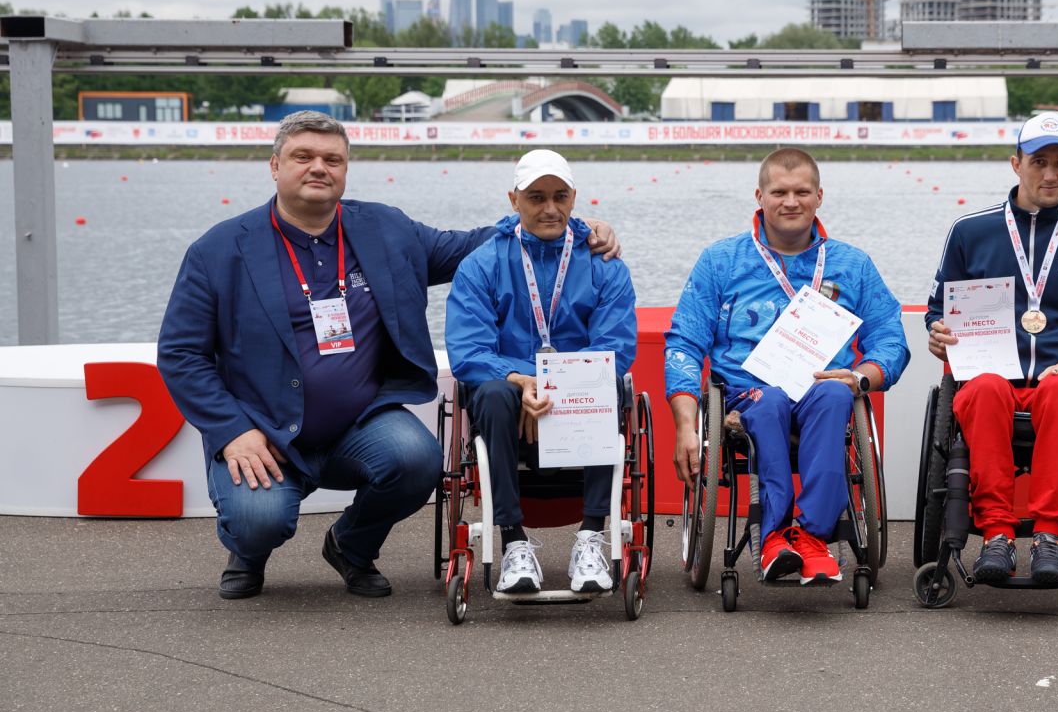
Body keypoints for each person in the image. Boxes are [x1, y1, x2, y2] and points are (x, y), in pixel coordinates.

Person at [157, 111, 617, 600]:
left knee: (418, 459)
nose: (319, 167)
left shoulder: (385, 229)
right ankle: (248, 553)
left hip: (361, 423)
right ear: (275, 166)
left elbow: (473, 245)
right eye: (303, 157)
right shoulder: (220, 249)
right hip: (265, 430)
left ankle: (351, 546)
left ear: (346, 170)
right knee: (258, 519)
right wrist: (233, 431)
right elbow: (180, 354)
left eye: (332, 159)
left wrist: (571, 225)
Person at [665, 147, 909, 584]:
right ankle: (775, 535)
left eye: (801, 192)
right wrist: (686, 423)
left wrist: (860, 377)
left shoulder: (852, 264)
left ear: (819, 197)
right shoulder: (720, 262)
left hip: (822, 387)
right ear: (759, 196)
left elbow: (890, 337)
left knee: (837, 393)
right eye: (779, 192)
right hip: (748, 393)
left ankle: (814, 536)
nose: (790, 202)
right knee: (771, 399)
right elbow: (684, 342)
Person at [926, 113, 1058, 585]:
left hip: (1057, 382)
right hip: (990, 378)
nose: (1049, 174)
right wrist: (939, 331)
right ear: (1015, 163)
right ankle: (996, 534)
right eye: (1038, 161)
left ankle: (1049, 536)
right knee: (981, 391)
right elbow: (939, 307)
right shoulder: (969, 232)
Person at [445, 149, 637, 595]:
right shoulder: (482, 264)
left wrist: (554, 387)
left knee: (606, 382)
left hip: (578, 388)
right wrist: (522, 381)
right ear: (514, 200)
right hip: (505, 389)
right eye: (536, 197)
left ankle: (590, 537)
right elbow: (468, 349)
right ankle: (513, 542)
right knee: (492, 394)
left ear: (574, 198)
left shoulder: (603, 262)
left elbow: (615, 348)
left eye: (559, 196)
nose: (550, 208)